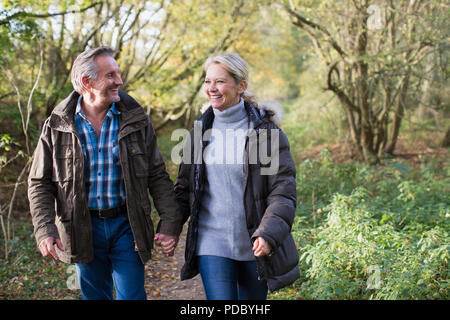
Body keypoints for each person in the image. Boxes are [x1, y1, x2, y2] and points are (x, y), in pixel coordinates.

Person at [28, 46, 181, 300]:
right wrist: (45, 229)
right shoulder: (57, 124)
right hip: (81, 227)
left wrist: (170, 223)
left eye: (117, 74)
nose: (119, 81)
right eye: (110, 75)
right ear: (87, 82)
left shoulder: (136, 119)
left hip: (127, 225)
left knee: (132, 296)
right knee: (95, 296)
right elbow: (39, 182)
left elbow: (157, 175)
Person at [173, 53, 299, 300]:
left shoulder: (264, 134)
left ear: (241, 86)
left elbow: (282, 191)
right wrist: (169, 227)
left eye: (220, 82)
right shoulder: (199, 133)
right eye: (208, 82)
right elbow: (184, 188)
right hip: (211, 242)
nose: (212, 88)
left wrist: (268, 233)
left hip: (255, 243)